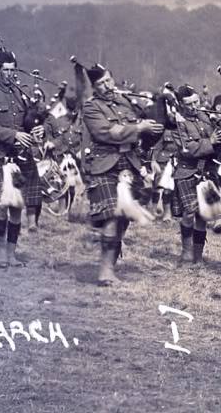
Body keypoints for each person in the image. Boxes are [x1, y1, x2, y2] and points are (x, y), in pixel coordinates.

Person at [81, 64, 163, 286]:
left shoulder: (124, 101)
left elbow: (148, 122)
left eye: (109, 80)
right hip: (105, 164)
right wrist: (138, 128)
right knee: (112, 215)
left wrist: (161, 105)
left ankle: (110, 265)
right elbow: (108, 133)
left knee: (124, 218)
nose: (107, 86)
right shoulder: (91, 108)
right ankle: (105, 272)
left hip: (131, 164)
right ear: (94, 88)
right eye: (101, 84)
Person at [0, 50, 44, 267]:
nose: (9, 74)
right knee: (2, 204)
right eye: (5, 70)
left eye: (12, 70)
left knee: (17, 206)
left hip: (21, 157)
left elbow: (30, 120)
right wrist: (14, 135)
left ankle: (11, 253)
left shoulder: (22, 94)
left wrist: (36, 129)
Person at [171, 85, 221, 266]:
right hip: (187, 171)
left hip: (206, 171)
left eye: (196, 102)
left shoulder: (204, 117)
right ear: (181, 104)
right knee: (188, 214)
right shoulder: (177, 123)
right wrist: (210, 141)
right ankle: (186, 253)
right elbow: (186, 149)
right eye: (189, 104)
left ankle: (198, 257)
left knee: (203, 215)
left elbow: (218, 138)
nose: (194, 106)